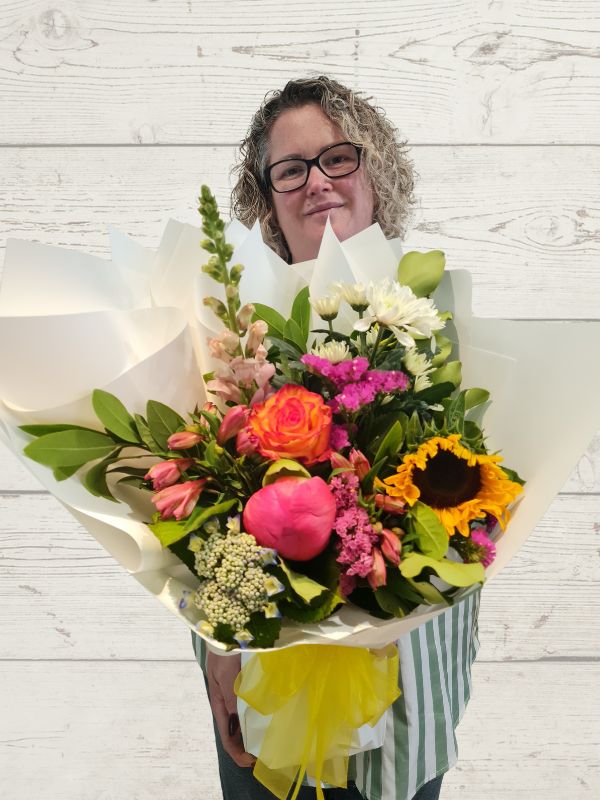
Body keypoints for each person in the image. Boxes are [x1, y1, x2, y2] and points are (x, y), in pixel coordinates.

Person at [192, 76, 481, 800]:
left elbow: (482, 512)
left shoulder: (439, 320)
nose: (317, 182)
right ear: (267, 199)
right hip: (266, 688)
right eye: (290, 170)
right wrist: (221, 641)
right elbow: (197, 516)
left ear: (375, 172)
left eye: (337, 158)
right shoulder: (230, 331)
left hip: (408, 689)